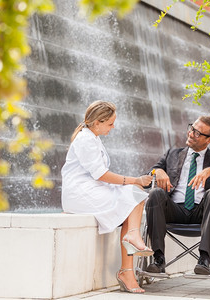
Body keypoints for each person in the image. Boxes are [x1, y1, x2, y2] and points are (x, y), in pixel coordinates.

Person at [61, 100, 153, 294]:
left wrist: (132, 183)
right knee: (133, 193)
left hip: (92, 190)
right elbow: (100, 174)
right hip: (81, 194)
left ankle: (128, 268)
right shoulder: (85, 139)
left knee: (135, 196)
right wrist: (134, 179)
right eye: (110, 123)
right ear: (97, 123)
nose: (113, 127)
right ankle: (130, 250)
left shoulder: (93, 137)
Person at [145, 116, 210, 275]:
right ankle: (158, 258)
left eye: (197, 133)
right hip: (174, 210)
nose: (190, 134)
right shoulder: (172, 154)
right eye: (191, 129)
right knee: (155, 193)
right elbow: (146, 179)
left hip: (203, 213)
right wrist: (157, 171)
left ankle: (204, 259)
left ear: (209, 139)